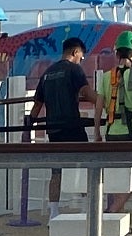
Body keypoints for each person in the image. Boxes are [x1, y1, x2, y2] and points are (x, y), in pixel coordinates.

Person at [29, 35, 94, 214]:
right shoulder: (74, 70)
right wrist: (105, 103)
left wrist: (27, 130)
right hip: (72, 126)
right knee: (85, 165)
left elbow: (36, 107)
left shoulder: (47, 73)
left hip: (53, 129)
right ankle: (86, 208)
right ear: (75, 52)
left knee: (56, 171)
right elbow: (87, 93)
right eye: (81, 56)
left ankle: (53, 213)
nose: (81, 60)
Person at [94, 30, 132, 220]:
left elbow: (99, 107)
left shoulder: (105, 77)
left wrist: (97, 133)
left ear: (117, 53)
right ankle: (111, 213)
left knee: (115, 177)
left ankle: (112, 214)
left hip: (111, 132)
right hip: (131, 133)